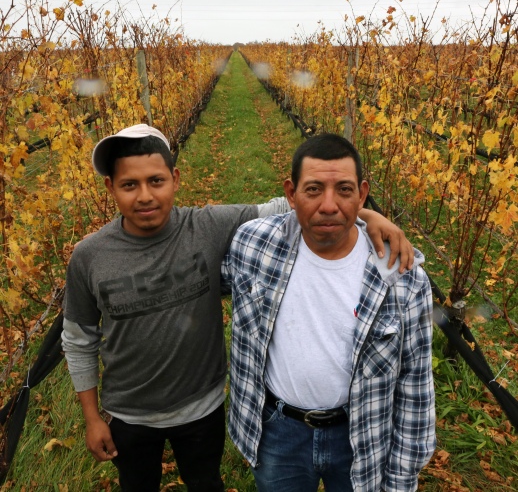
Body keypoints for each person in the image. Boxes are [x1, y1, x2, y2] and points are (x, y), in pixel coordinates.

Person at [61, 124, 416, 491]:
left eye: (156, 181)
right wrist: (92, 417)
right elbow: (78, 339)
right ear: (110, 188)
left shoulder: (207, 227)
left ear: (175, 179)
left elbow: (296, 206)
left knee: (205, 481)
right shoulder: (91, 256)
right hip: (128, 413)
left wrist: (368, 216)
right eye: (129, 185)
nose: (145, 196)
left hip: (202, 406)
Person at [221, 133, 436, 492]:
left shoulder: (402, 277)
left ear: (362, 194)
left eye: (345, 191)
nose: (329, 205)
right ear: (291, 194)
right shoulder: (252, 245)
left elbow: (415, 385)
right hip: (279, 431)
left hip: (361, 436)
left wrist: (401, 480)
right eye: (313, 189)